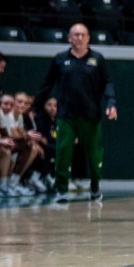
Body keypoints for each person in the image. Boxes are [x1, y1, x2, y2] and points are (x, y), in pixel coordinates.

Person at [33, 22, 117, 203]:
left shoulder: (97, 59)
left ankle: (95, 187)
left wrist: (111, 102)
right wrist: (35, 107)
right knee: (62, 153)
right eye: (75, 35)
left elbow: (107, 84)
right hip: (66, 116)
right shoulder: (60, 59)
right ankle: (61, 190)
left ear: (88, 38)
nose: (79, 38)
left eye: (82, 35)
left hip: (91, 116)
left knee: (95, 156)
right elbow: (47, 84)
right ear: (69, 38)